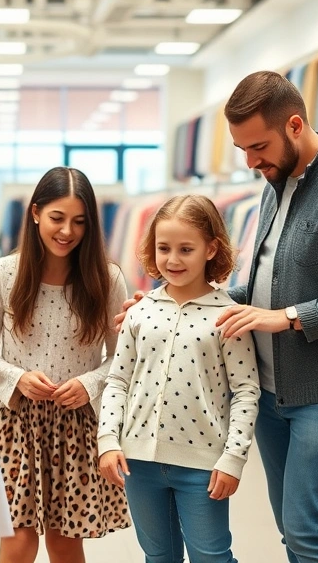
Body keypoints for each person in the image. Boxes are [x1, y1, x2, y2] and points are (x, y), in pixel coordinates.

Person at [115, 71, 318, 563]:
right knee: (290, 531)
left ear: (294, 125)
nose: (250, 162)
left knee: (307, 530)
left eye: (258, 147)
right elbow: (259, 284)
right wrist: (176, 300)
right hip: (271, 392)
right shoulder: (276, 183)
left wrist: (287, 317)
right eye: (242, 149)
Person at [0, 167, 131, 563]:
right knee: (17, 540)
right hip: (15, 423)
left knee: (64, 541)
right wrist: (17, 377)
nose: (67, 231)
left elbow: (124, 359)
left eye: (79, 221)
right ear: (36, 213)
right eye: (58, 218)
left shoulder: (106, 280)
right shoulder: (4, 274)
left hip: (75, 425)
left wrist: (90, 383)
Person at [98, 195, 260, 563]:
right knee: (158, 557)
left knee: (212, 557)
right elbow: (117, 379)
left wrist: (233, 458)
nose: (172, 260)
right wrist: (108, 439)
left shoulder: (227, 316)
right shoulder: (139, 311)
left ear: (210, 249)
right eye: (163, 248)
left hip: (203, 466)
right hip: (138, 463)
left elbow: (246, 391)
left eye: (186, 249)